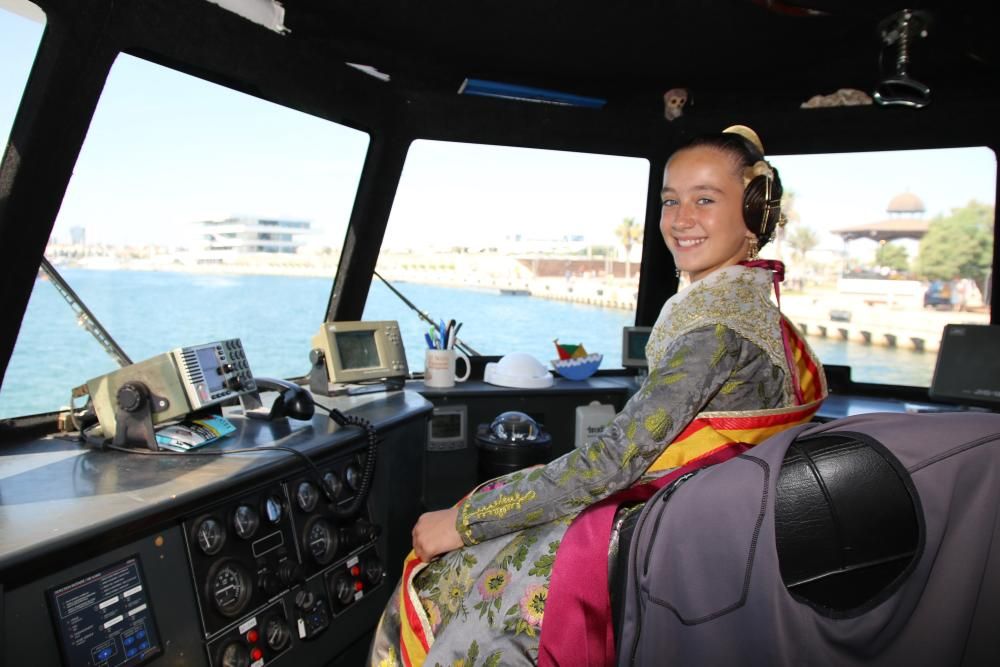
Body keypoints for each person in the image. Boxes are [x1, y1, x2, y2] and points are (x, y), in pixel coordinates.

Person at [368, 126, 827, 667]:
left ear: (754, 214)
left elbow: (609, 463)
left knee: (434, 581)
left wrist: (463, 518)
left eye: (705, 199)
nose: (680, 220)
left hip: (673, 544)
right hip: (712, 531)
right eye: (670, 201)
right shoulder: (755, 312)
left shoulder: (715, 330)